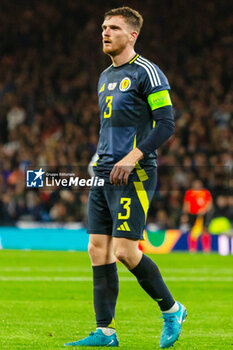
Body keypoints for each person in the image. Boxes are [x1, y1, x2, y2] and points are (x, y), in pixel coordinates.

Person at [65, 7, 187, 348]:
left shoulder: (149, 73)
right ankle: (105, 332)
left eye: (114, 28)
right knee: (97, 248)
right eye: (104, 27)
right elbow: (111, 126)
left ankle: (172, 309)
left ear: (132, 35)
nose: (105, 32)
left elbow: (165, 124)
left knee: (124, 251)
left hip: (134, 173)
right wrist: (99, 156)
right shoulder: (105, 76)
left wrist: (133, 157)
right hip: (104, 172)